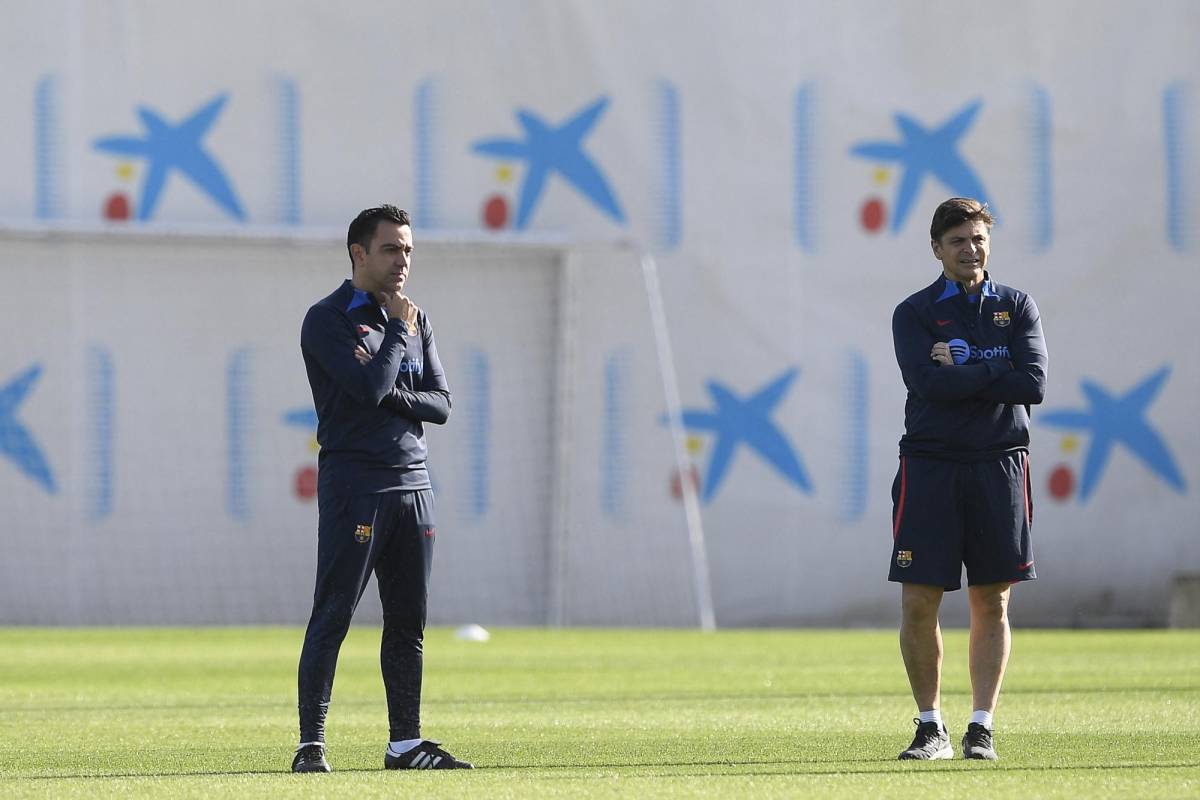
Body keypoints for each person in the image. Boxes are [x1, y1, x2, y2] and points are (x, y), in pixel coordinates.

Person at [291, 204, 471, 772]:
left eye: (409, 250)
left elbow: (441, 405)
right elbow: (367, 388)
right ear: (359, 253)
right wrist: (395, 333)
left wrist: (391, 378)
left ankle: (405, 745)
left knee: (407, 624)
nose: (402, 261)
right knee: (334, 614)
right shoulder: (328, 319)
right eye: (391, 249)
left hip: (415, 487)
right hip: (357, 486)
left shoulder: (419, 320)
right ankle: (311, 745)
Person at [889, 197, 1047, 761]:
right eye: (957, 240)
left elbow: (1032, 384)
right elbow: (928, 385)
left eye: (977, 238)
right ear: (937, 248)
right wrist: (994, 371)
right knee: (918, 600)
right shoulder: (914, 312)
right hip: (930, 464)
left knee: (991, 600)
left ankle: (981, 728)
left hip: (1000, 460)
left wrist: (964, 366)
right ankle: (930, 727)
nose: (969, 248)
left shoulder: (1016, 305)